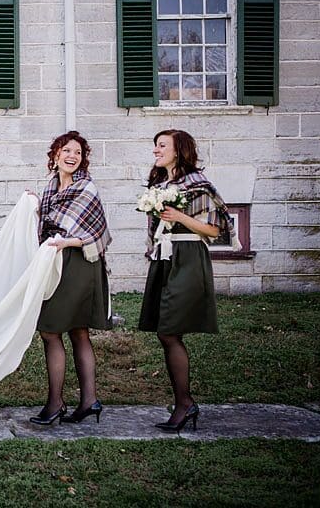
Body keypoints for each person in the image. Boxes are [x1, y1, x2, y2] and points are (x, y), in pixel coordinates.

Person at [139, 129, 237, 432]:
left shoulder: (198, 185)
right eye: (155, 146)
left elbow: (214, 230)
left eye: (162, 146)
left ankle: (185, 403)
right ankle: (184, 403)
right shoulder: (159, 184)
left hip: (189, 256)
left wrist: (179, 217)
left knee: (169, 331)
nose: (156, 150)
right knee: (164, 330)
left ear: (179, 150)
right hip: (165, 258)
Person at [31, 131, 112, 426]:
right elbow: (45, 225)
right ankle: (88, 402)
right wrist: (32, 206)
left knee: (54, 331)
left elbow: (97, 231)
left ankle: (57, 403)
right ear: (55, 155)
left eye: (77, 153)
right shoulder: (50, 188)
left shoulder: (86, 187)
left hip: (78, 263)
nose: (72, 156)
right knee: (72, 331)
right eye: (67, 150)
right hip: (54, 260)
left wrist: (67, 243)